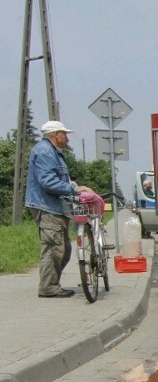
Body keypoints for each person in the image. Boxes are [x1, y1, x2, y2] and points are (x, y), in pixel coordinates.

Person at [24, 120, 93, 298]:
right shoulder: (46, 151)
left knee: (63, 249)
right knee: (54, 248)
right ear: (55, 134)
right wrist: (74, 189)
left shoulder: (52, 152)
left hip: (53, 206)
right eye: (65, 134)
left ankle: (51, 283)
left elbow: (59, 178)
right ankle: (48, 287)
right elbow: (47, 182)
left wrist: (75, 186)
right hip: (46, 206)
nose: (67, 138)